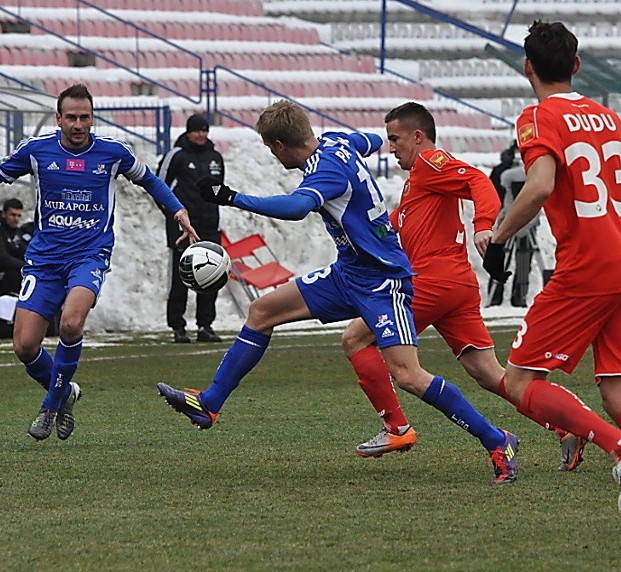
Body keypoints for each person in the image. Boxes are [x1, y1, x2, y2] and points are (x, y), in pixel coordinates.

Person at [156, 100, 519, 482]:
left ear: (279, 146)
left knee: (409, 375)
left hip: (383, 281)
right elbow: (368, 141)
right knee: (263, 311)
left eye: (269, 149)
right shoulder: (336, 142)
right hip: (348, 273)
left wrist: (233, 197)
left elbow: (297, 207)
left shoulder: (325, 170)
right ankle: (210, 403)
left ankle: (497, 439)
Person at [487, 21, 621, 536]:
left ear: (527, 68)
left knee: (519, 381)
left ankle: (619, 446)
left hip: (585, 270)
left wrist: (498, 237)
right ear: (577, 66)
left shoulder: (538, 116)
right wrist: (619, 237)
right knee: (620, 392)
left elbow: (540, 186)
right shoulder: (609, 118)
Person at [341, 101, 584, 475]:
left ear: (417, 137)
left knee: (358, 338)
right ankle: (566, 426)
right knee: (490, 374)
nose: (391, 147)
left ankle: (396, 426)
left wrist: (484, 224)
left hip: (432, 282)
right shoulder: (416, 185)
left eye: (395, 138)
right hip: (456, 286)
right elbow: (391, 231)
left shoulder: (429, 163)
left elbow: (477, 180)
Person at [0, 84, 199, 442]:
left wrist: (178, 210)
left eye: (85, 117)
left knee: (70, 323)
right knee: (24, 346)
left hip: (89, 255)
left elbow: (151, 181)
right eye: (72, 117)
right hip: (44, 259)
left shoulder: (112, 153)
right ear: (58, 118)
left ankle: (51, 404)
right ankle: (66, 392)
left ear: (92, 118)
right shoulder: (36, 151)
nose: (78, 124)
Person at [156, 113, 224, 343]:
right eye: (197, 130)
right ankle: (178, 326)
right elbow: (158, 186)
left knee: (211, 274)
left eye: (205, 130)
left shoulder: (215, 157)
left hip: (209, 226)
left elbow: (218, 190)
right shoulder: (176, 156)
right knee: (181, 275)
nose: (201, 135)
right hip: (182, 228)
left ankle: (205, 325)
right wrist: (173, 215)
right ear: (188, 131)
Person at [489, 149, 539, 307]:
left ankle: (519, 296)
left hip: (525, 220)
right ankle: (497, 296)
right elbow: (496, 186)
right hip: (509, 219)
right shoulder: (505, 171)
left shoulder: (533, 167)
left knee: (523, 259)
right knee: (501, 257)